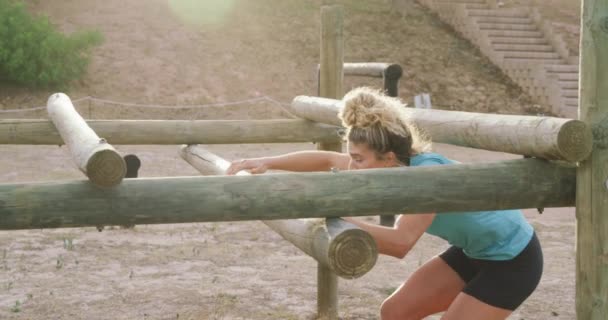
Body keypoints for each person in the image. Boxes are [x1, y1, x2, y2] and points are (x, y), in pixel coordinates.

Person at [227, 87, 543, 320]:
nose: (351, 167)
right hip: (472, 252)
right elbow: (325, 159)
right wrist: (266, 161)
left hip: (513, 261)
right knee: (395, 311)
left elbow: (401, 243)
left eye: (358, 159)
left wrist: (343, 216)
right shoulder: (389, 165)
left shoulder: (426, 177)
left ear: (388, 158)